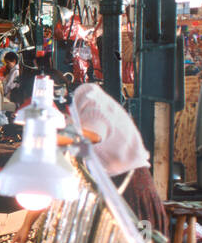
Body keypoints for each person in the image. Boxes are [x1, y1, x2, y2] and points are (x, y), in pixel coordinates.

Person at [69, 81, 169, 234]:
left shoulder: (90, 101)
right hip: (118, 185)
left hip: (133, 186)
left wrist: (53, 133)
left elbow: (95, 135)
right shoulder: (78, 113)